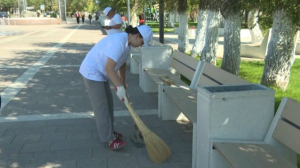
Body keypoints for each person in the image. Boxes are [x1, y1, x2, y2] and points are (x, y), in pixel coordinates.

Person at [79, 25, 153, 150]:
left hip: (100, 73)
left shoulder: (127, 44)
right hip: (92, 72)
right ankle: (109, 139)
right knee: (101, 107)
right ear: (137, 36)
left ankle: (110, 131)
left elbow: (122, 64)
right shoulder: (118, 42)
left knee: (109, 104)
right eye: (141, 42)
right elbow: (109, 68)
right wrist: (118, 86)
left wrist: (122, 82)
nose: (140, 45)